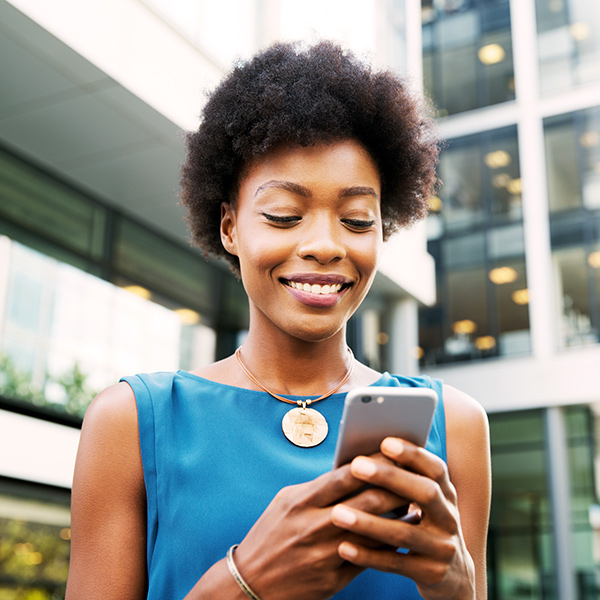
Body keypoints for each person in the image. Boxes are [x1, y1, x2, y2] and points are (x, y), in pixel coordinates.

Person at [66, 41, 491, 600]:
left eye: (358, 220)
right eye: (284, 215)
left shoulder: (454, 425)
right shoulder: (131, 423)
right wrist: (246, 580)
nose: (325, 245)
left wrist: (459, 586)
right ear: (229, 227)